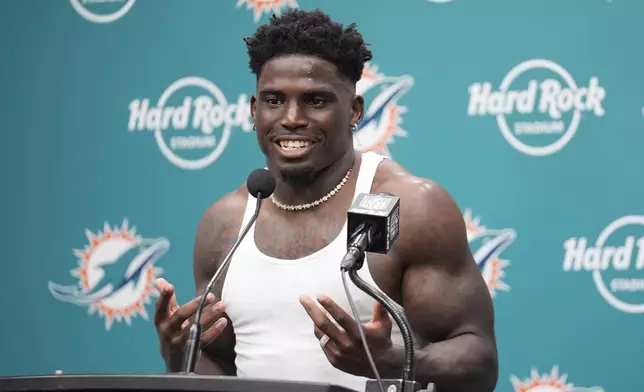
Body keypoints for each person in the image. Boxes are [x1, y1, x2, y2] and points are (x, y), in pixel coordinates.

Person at [153, 8, 498, 392]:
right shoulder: (225, 223)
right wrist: (180, 358)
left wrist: (392, 361)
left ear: (354, 111)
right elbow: (218, 365)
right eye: (274, 100)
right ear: (254, 110)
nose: (292, 118)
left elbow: (480, 361)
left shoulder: (409, 206)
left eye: (316, 100)